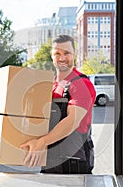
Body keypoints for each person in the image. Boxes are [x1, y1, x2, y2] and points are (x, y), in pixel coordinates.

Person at [20, 34, 96, 174]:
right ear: (51, 56)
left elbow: (72, 121)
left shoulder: (81, 84)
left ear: (75, 54)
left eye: (66, 53)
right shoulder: (52, 85)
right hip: (51, 162)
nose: (62, 58)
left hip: (74, 164)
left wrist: (41, 142)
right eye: (57, 53)